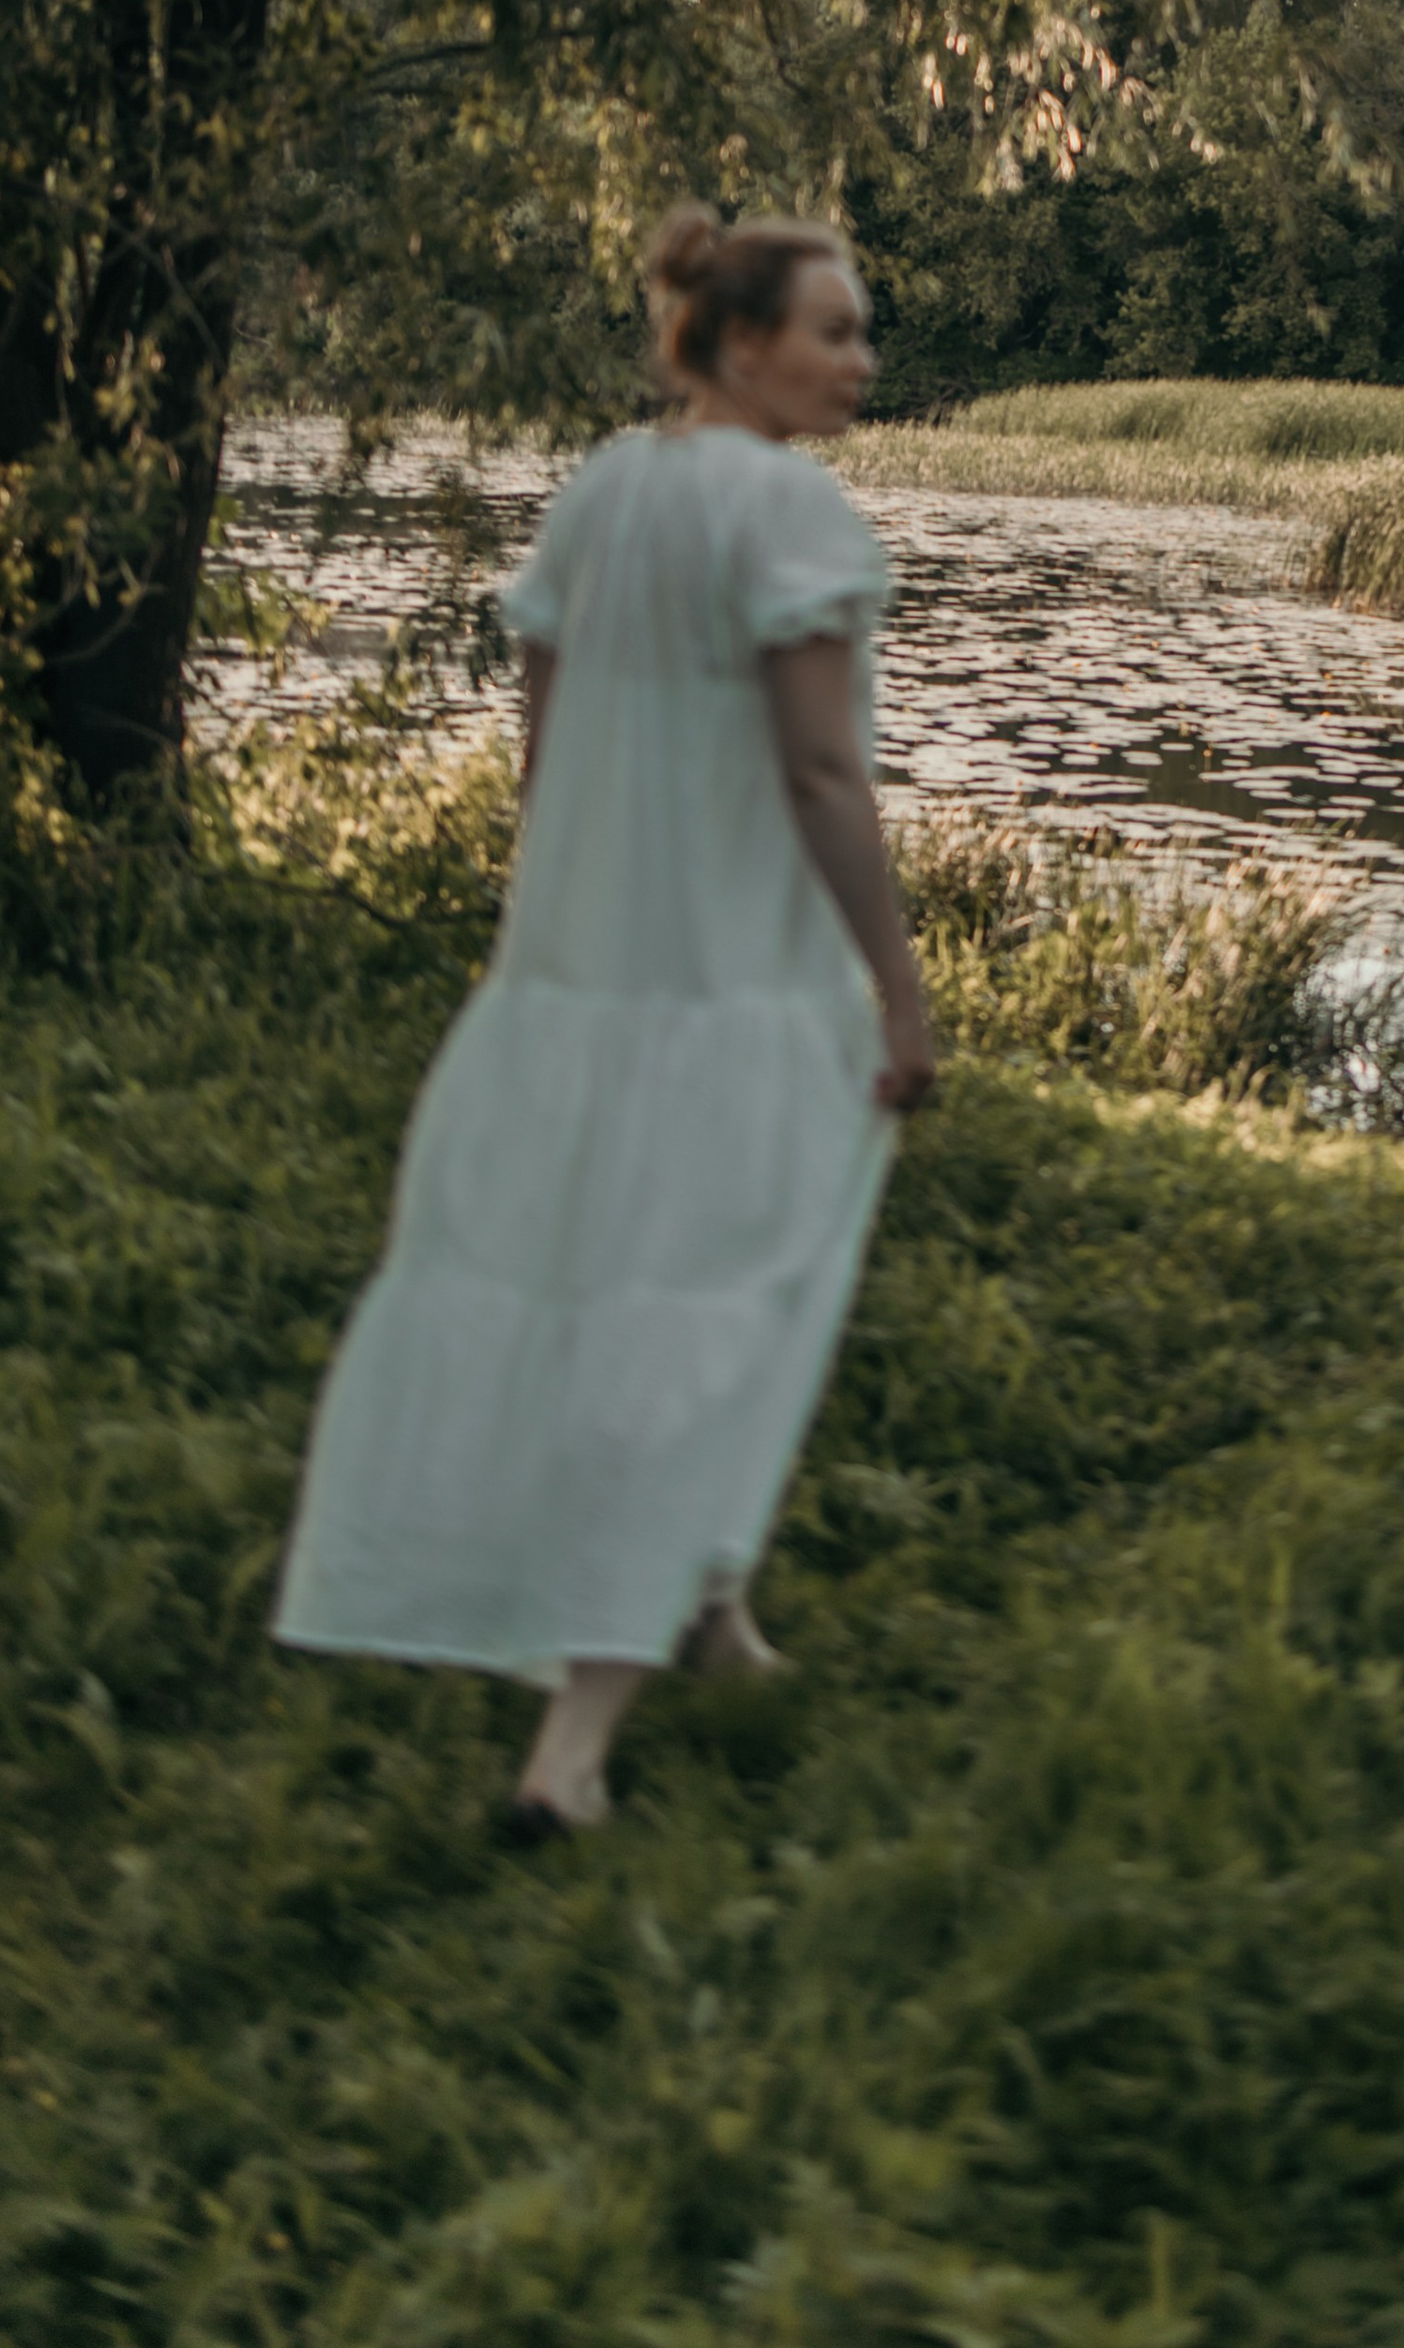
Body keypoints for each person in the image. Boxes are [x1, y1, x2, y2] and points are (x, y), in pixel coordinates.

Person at [273, 207, 936, 1836]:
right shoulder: (789, 514)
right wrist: (899, 985)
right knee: (707, 1315)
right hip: (736, 987)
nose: (862, 361)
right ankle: (571, 1752)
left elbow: (545, 765)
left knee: (627, 1287)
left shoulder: (601, 492)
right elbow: (821, 772)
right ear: (733, 343)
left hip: (582, 980)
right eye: (833, 332)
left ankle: (707, 1609)